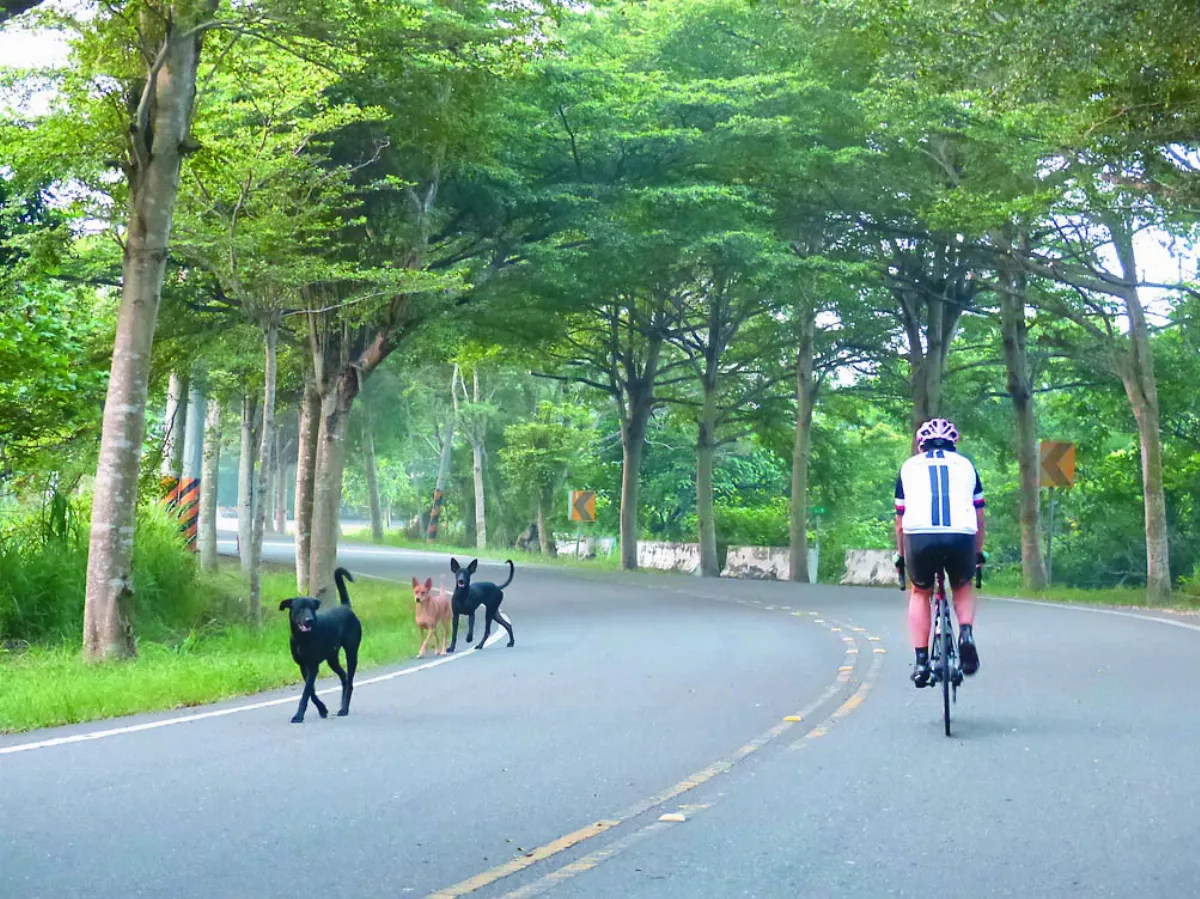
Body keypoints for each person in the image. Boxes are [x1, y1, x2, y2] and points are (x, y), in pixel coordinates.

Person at [894, 418, 986, 687]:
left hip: (919, 535)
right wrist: (977, 553)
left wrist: (902, 556)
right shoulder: (967, 466)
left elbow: (900, 521)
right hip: (961, 534)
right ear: (953, 444)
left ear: (921, 444)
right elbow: (979, 516)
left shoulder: (909, 467)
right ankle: (966, 634)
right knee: (963, 585)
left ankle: (922, 663)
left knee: (920, 592)